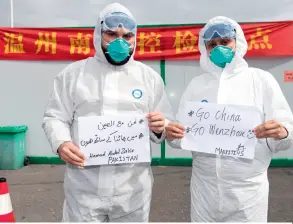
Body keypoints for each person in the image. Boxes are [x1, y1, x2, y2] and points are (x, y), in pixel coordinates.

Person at [42, 2, 173, 222]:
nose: (120, 42)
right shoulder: (74, 74)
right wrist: (61, 143)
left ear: (135, 38)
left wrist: (162, 126)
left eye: (127, 36)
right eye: (112, 34)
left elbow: (165, 125)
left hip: (132, 192)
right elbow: (55, 116)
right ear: (98, 34)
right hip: (84, 189)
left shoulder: (148, 78)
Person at [165, 16, 293, 222]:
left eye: (225, 42)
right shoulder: (197, 85)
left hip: (248, 191)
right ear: (204, 48)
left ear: (238, 42)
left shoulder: (260, 80)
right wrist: (173, 134)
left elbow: (287, 129)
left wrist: (283, 132)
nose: (218, 48)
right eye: (212, 44)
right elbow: (181, 135)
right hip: (204, 189)